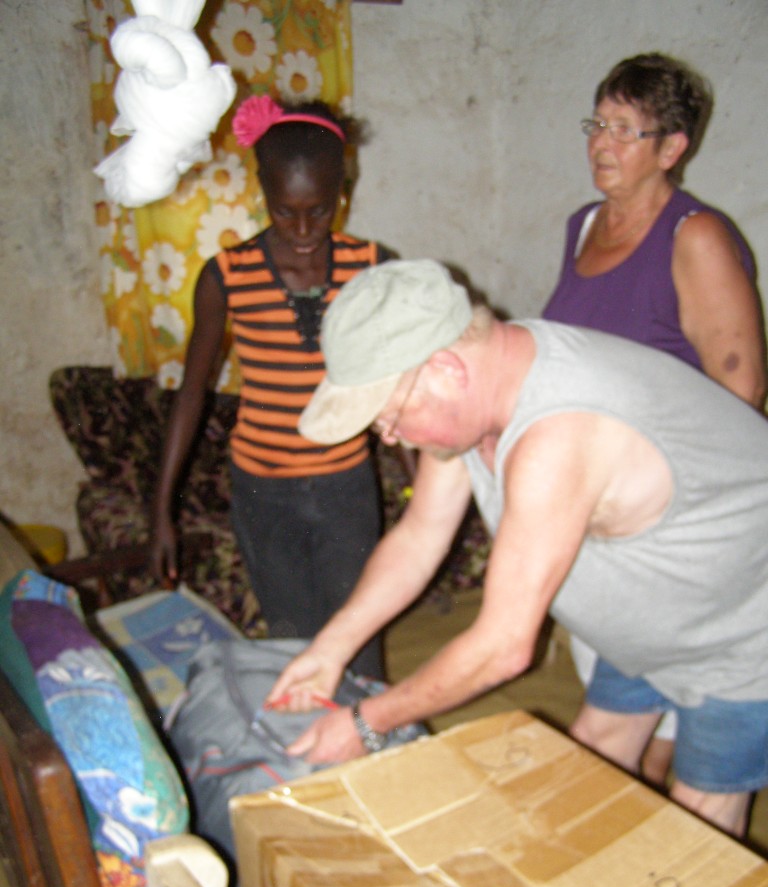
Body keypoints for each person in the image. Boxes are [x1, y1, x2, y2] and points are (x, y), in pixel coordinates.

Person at [266, 258, 768, 839]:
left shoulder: (560, 429)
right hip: (659, 616)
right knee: (592, 760)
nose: (392, 437)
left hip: (742, 638)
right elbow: (420, 536)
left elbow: (503, 647)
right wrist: (332, 647)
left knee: (697, 833)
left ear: (445, 369)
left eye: (390, 418)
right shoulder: (481, 391)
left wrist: (367, 722)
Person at [542, 52, 767, 784]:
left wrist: (668, 511)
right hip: (593, 507)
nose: (602, 144)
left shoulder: (694, 237)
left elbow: (740, 394)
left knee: (658, 712)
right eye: (598, 124)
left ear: (672, 148)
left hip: (668, 522)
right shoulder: (582, 227)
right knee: (610, 686)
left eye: (626, 130)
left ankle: (666, 824)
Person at [150, 96, 393, 677]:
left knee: (359, 639)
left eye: (320, 210)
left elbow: (396, 378)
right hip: (263, 495)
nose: (304, 230)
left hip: (345, 490)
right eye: (286, 212)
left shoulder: (371, 267)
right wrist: (161, 511)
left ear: (343, 189)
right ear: (262, 190)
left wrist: (419, 491)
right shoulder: (226, 275)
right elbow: (192, 394)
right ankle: (310, 734)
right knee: (293, 642)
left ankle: (373, 729)